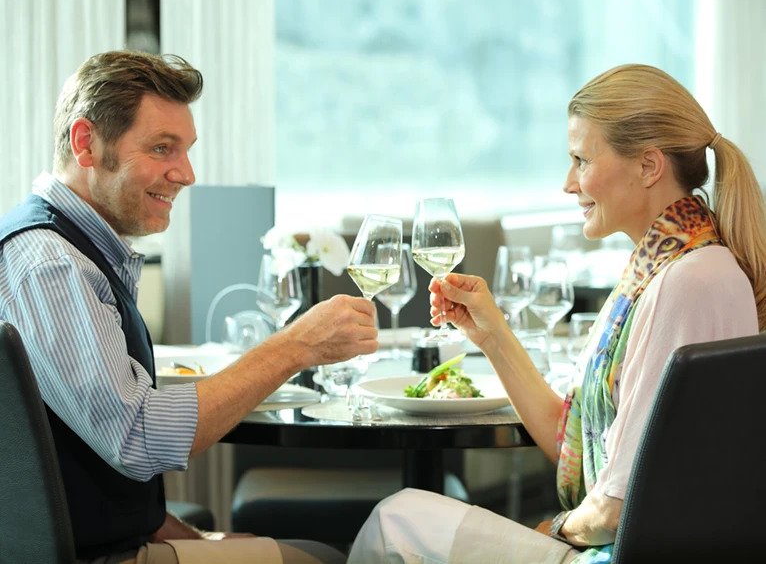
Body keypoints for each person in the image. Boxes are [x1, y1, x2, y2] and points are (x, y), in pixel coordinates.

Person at [348, 63, 766, 563]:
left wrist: (554, 527)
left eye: (581, 160)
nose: (569, 183)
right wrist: (493, 335)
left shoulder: (685, 283)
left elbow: (616, 507)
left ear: (649, 166)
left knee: (396, 520)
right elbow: (574, 446)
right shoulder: (677, 265)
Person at [0, 50, 378, 563]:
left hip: (105, 541)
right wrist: (297, 346)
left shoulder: (68, 249)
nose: (186, 174)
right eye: (162, 148)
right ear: (86, 144)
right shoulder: (54, 265)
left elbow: (84, 457)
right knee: (329, 557)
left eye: (185, 151)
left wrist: (187, 539)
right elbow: (136, 436)